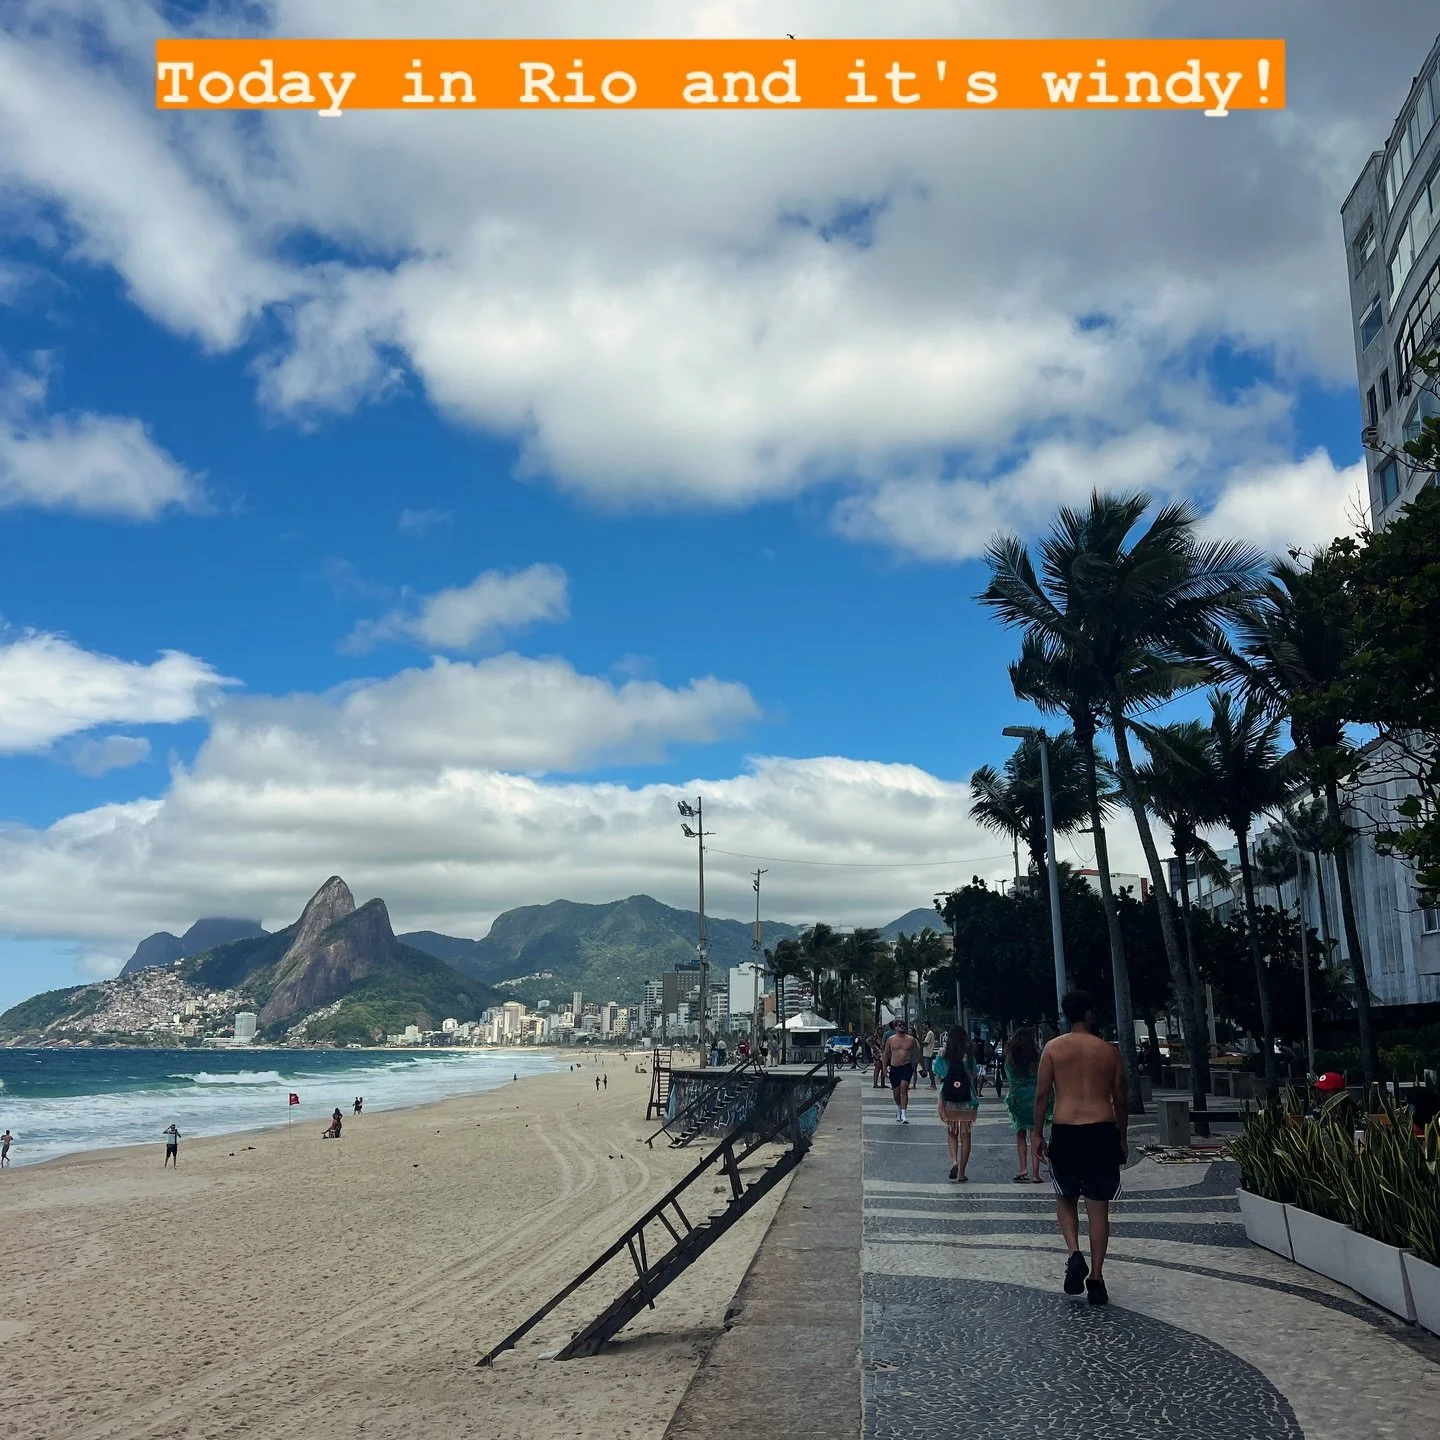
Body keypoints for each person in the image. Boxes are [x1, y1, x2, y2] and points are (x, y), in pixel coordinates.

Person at [1034, 991, 1128, 1306]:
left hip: (1066, 1130)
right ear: (1088, 1013)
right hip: (1101, 1130)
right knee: (1098, 1207)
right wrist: (1123, 1135)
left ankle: (1074, 1253)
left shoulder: (1053, 1049)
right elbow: (1121, 1097)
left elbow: (1042, 1094)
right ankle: (1097, 1279)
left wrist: (1037, 1133)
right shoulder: (1108, 1052)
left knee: (1065, 1197)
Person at [933, 1029, 980, 1181]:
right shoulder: (969, 1054)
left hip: (949, 1098)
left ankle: (954, 1161)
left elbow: (938, 1072)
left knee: (952, 1132)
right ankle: (962, 1173)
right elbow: (974, 1073)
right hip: (967, 1098)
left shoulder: (943, 1053)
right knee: (966, 1136)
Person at [1004, 1027, 1048, 1183]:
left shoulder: (1011, 1059)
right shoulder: (1037, 1057)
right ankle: (1036, 1174)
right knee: (1035, 1133)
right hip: (1034, 1096)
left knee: (1020, 1133)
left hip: (1017, 1098)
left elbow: (1010, 1079)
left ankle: (1023, 1168)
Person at [882, 1021, 921, 1124]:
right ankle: (899, 1107)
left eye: (904, 1025)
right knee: (896, 1093)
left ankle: (904, 1114)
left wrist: (924, 1067)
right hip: (894, 1067)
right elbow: (886, 1054)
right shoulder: (891, 1040)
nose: (902, 1027)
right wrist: (884, 1068)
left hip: (906, 1066)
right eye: (900, 1025)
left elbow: (917, 1053)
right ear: (895, 1027)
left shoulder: (911, 1039)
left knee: (904, 1088)